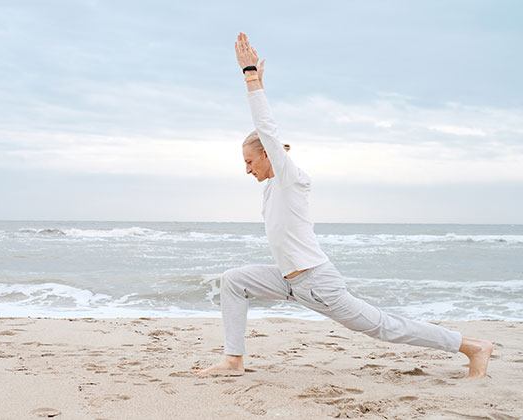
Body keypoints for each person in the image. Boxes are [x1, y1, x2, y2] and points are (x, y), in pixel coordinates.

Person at [197, 32, 493, 379]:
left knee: (384, 327)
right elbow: (267, 138)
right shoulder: (271, 187)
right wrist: (259, 84)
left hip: (318, 284)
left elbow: (268, 129)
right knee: (233, 281)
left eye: (250, 161)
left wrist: (250, 77)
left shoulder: (292, 179)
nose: (246, 169)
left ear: (267, 154)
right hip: (287, 281)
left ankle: (471, 346)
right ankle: (233, 359)